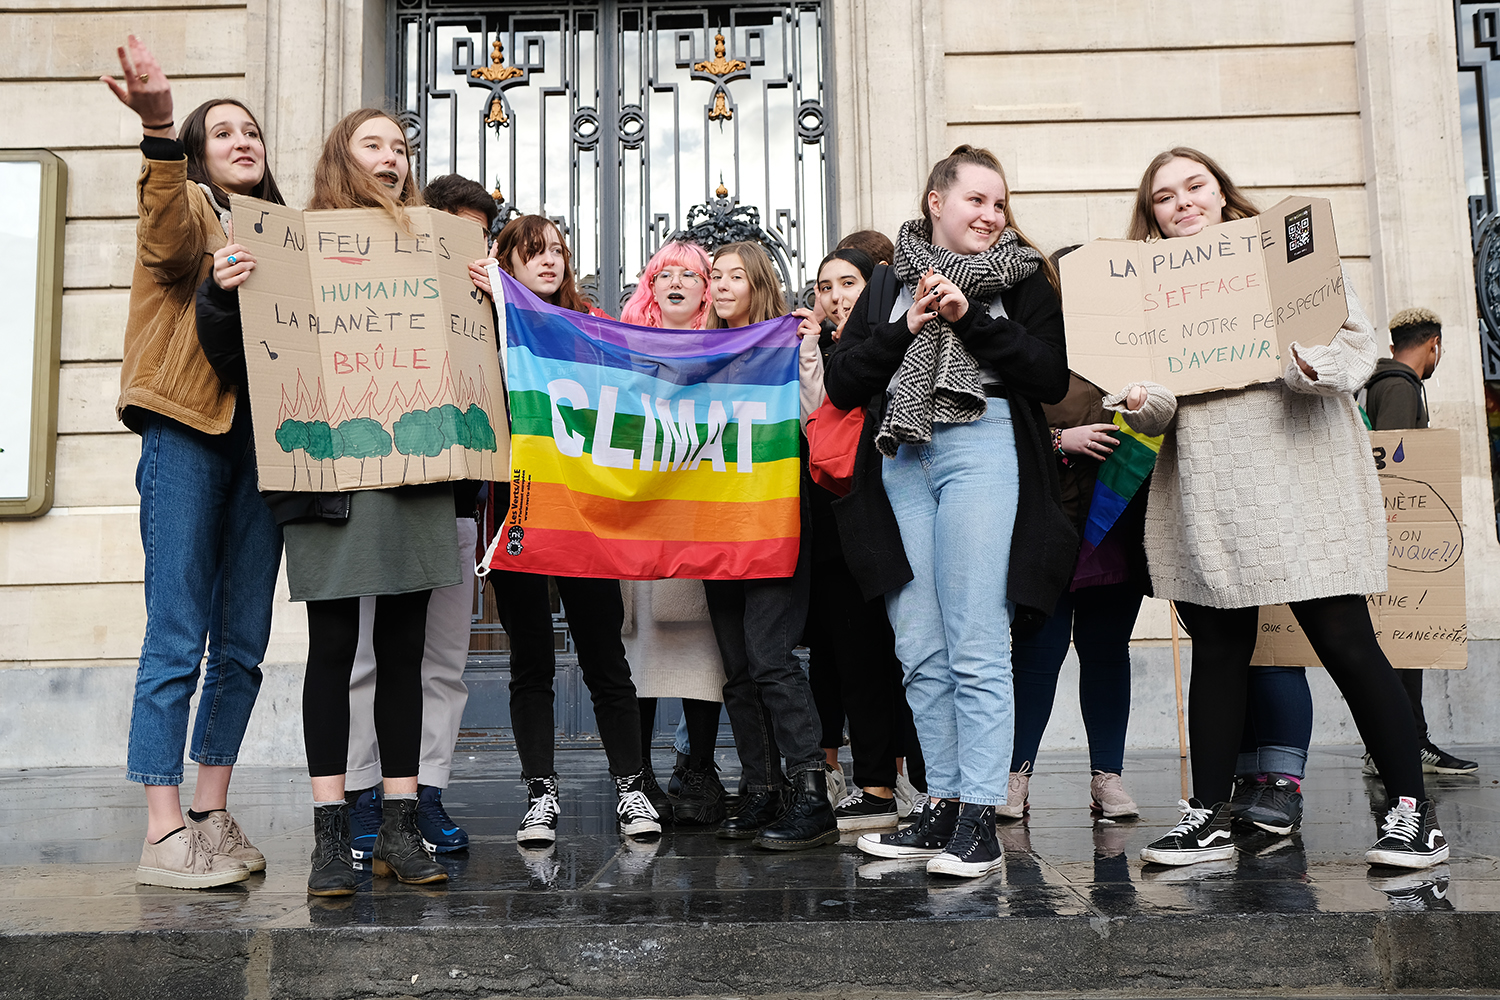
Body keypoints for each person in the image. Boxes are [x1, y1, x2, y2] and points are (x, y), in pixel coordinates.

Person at [1115, 147, 1449, 869]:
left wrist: (1310, 366)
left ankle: (1413, 816)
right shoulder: (1151, 293)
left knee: (1348, 645)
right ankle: (1206, 815)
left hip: (1302, 484)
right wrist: (1141, 403)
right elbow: (1163, 407)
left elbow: (1357, 346)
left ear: (1221, 190)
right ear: (1153, 215)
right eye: (1164, 196)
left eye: (1194, 185)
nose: (1182, 202)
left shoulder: (1289, 259)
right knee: (1220, 650)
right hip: (1213, 489)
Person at [197, 109, 460, 894]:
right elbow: (233, 359)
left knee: (406, 650)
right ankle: (331, 835)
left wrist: (487, 298)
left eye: (402, 147)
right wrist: (221, 295)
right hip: (332, 480)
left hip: (416, 467)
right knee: (337, 650)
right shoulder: (292, 240)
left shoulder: (434, 243)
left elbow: (468, 358)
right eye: (374, 143)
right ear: (342, 156)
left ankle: (401, 828)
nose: (392, 156)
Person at [825, 144, 1074, 879]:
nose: (993, 216)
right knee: (921, 646)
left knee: (974, 636)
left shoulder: (1025, 278)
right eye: (977, 201)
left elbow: (1050, 376)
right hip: (902, 458)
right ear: (937, 201)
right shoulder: (884, 282)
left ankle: (980, 818)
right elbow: (842, 382)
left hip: (985, 444)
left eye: (1000, 203)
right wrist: (905, 329)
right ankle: (939, 804)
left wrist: (971, 321)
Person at [104, 35, 284, 890]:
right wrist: (160, 128)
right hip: (184, 432)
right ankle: (161, 829)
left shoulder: (284, 234)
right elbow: (170, 238)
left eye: (252, 132)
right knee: (177, 631)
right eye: (224, 133)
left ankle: (210, 814)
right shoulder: (189, 209)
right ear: (200, 155)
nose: (243, 140)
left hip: (264, 447)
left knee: (243, 641)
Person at [479, 214, 662, 844]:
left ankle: (631, 789)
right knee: (530, 659)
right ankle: (540, 793)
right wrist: (498, 308)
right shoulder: (486, 323)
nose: (550, 261)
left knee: (604, 658)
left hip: (586, 515)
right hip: (519, 507)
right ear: (508, 261)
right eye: (534, 253)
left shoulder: (593, 331)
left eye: (558, 250)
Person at [342, 175, 498, 863]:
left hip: (456, 507)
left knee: (444, 663)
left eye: (481, 234)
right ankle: (362, 793)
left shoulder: (495, 308)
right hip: (382, 501)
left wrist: (503, 309)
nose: (472, 246)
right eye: (457, 231)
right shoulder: (385, 294)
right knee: (367, 659)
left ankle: (426, 792)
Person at [698, 240, 839, 850]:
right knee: (736, 666)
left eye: (736, 276)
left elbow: (817, 415)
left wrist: (807, 351)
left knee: (770, 655)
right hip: (713, 523)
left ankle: (810, 793)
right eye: (717, 276)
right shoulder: (697, 354)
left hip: (777, 516)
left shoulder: (790, 342)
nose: (723, 285)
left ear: (758, 285)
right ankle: (761, 787)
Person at [615, 239, 738, 826]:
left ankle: (700, 771)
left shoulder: (729, 350)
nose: (678, 282)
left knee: (697, 648)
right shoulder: (620, 350)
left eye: (692, 274)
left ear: (706, 290)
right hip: (638, 519)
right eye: (666, 272)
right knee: (638, 650)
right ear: (651, 286)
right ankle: (636, 776)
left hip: (696, 518)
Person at [803, 246, 925, 832]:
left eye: (848, 283)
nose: (835, 296)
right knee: (857, 659)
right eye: (825, 287)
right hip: (833, 516)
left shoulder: (900, 339)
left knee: (914, 652)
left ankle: (928, 786)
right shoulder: (816, 353)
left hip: (895, 509)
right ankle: (874, 783)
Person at [1004, 369, 1148, 822]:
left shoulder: (1129, 340)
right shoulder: (1030, 332)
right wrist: (1058, 439)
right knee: (1036, 651)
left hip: (1115, 515)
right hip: (1048, 522)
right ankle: (1014, 774)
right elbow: (996, 424)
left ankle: (1108, 774)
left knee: (1106, 650)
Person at [1360, 308, 1477, 776]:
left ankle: (1403, 742)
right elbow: (1392, 462)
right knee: (1402, 645)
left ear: (1394, 345)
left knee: (1398, 645)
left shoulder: (1382, 381)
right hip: (1397, 537)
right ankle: (1406, 743)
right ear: (1434, 345)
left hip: (1390, 534)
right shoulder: (1401, 387)